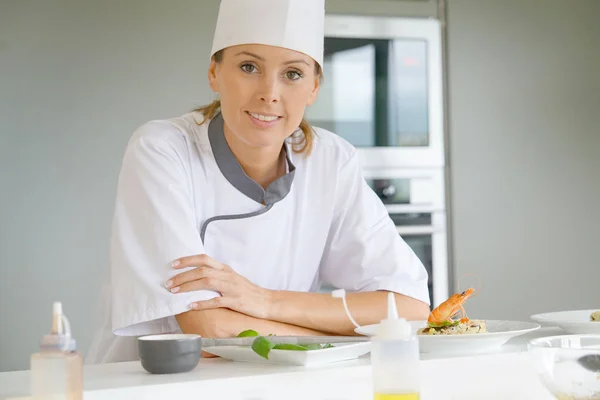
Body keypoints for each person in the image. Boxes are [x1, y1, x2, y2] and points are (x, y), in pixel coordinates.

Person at [85, 0, 430, 364]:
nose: (270, 93)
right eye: (249, 67)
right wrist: (337, 339)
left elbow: (407, 307)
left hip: (279, 381)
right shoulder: (162, 149)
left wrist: (264, 300)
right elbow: (207, 327)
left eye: (293, 74)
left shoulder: (332, 160)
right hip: (157, 386)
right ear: (214, 73)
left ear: (314, 87)